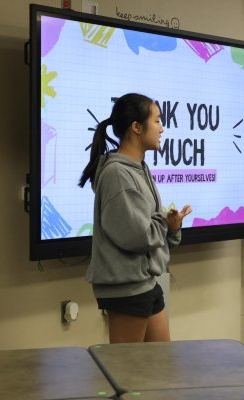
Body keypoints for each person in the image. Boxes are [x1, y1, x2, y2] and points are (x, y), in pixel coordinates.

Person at [79, 93, 192, 343]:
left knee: (160, 366)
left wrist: (171, 227)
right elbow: (138, 235)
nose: (162, 128)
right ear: (137, 127)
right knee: (126, 373)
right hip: (126, 288)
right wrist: (163, 222)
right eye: (157, 121)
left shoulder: (139, 168)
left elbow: (150, 228)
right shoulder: (117, 174)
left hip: (145, 282)